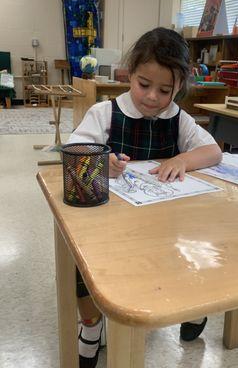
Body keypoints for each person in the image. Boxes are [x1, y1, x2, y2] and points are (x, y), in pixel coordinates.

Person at [69, 27, 222, 367]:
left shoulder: (178, 118)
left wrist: (183, 158)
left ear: (179, 87)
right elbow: (74, 151)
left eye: (165, 90)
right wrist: (99, 160)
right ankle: (91, 327)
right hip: (109, 225)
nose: (152, 97)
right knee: (84, 264)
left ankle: (193, 307)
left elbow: (213, 152)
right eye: (144, 84)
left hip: (162, 224)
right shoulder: (105, 113)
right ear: (130, 74)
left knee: (193, 250)